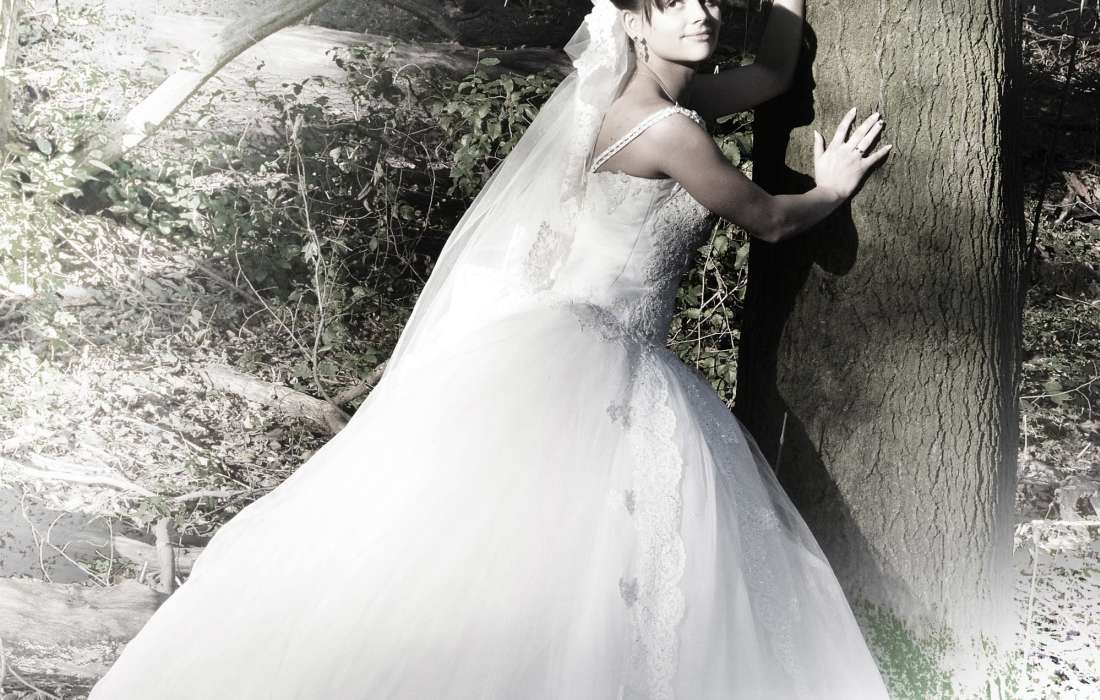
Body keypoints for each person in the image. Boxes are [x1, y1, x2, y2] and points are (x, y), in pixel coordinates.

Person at [89, 1, 893, 698]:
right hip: (603, 357)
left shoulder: (633, 97)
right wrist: (831, 187)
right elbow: (769, 220)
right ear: (634, 24)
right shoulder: (669, 129)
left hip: (579, 339)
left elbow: (772, 73)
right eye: (673, 3)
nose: (701, 14)